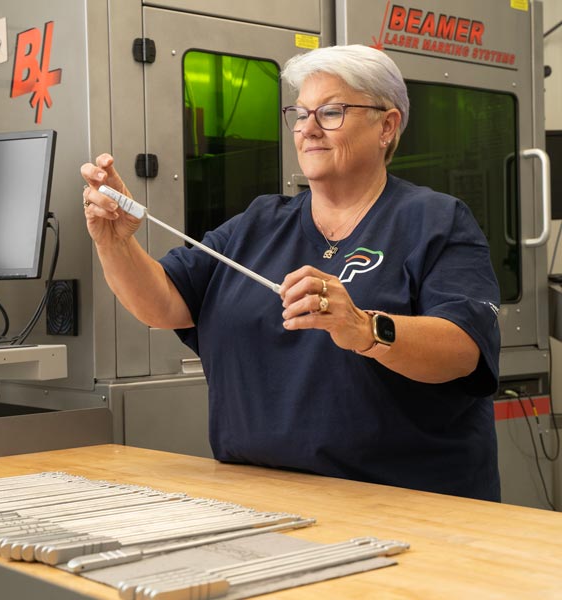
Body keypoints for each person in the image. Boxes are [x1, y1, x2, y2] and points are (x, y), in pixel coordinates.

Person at [81, 44, 501, 501]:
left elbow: (463, 350)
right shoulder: (259, 223)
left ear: (387, 125)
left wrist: (363, 328)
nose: (309, 130)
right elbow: (161, 304)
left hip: (404, 502)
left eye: (332, 112)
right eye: (300, 114)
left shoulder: (435, 222)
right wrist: (115, 242)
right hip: (260, 499)